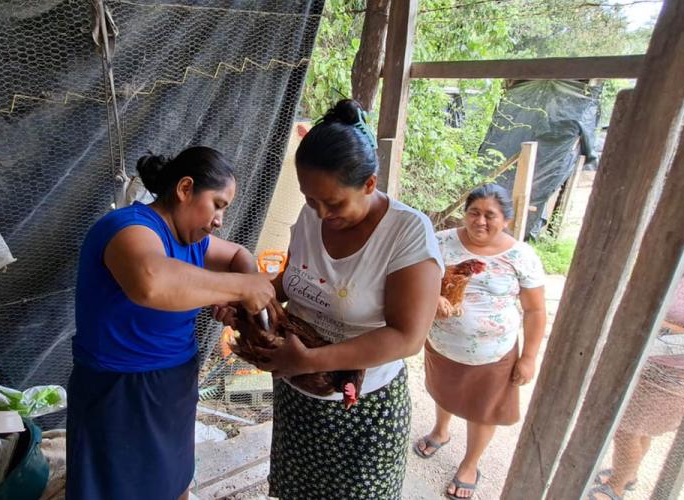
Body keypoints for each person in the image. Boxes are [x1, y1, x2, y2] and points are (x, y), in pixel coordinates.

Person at [217, 99, 443, 499]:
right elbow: (291, 280)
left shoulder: (407, 234)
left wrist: (309, 359)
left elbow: (406, 337)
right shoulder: (312, 217)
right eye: (310, 200)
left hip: (362, 408)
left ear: (370, 184)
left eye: (334, 203)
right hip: (299, 394)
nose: (320, 213)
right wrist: (244, 299)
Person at [66, 146, 276, 500]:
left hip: (174, 385)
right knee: (114, 488)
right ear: (184, 189)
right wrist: (240, 287)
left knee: (173, 481)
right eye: (218, 205)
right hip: (120, 390)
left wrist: (240, 297)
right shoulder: (127, 229)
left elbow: (239, 255)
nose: (220, 220)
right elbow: (152, 282)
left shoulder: (193, 240)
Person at [589, 196, 684, 500]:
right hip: (648, 362)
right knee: (638, 428)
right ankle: (627, 475)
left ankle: (614, 489)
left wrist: (653, 322)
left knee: (626, 428)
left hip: (675, 375)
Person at [413, 184, 547, 499]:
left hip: (493, 353)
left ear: (507, 220)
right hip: (443, 344)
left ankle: (470, 463)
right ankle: (441, 431)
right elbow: (415, 279)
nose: (480, 221)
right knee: (443, 390)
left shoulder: (521, 256)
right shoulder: (440, 241)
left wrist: (528, 357)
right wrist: (432, 299)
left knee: (483, 410)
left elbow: (535, 309)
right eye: (474, 212)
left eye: (490, 215)